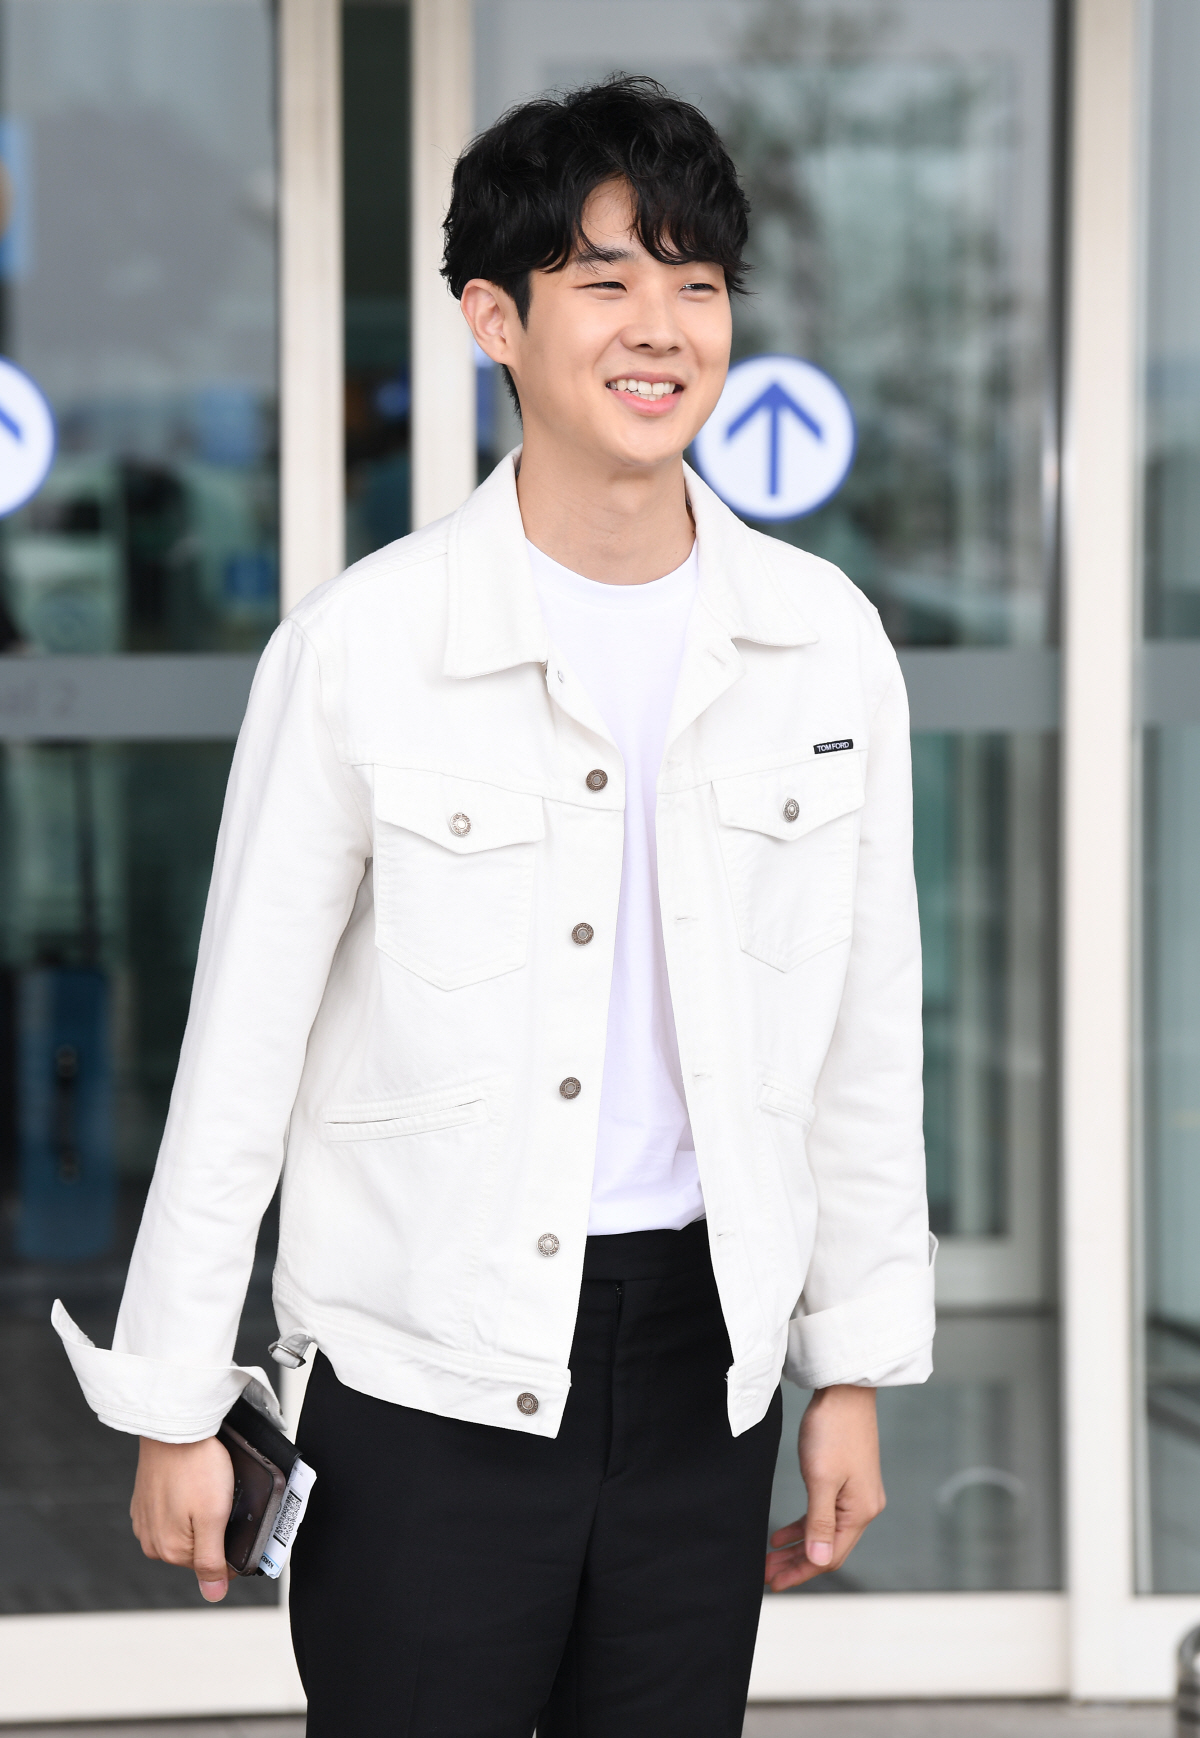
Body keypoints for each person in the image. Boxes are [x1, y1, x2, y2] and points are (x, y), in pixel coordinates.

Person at [54, 75, 934, 1737]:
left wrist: (855, 1368)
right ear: (494, 319)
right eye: (605, 280)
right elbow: (239, 1043)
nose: (660, 326)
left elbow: (860, 1041)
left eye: (696, 282)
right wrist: (173, 1396)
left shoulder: (823, 642)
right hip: (422, 1370)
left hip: (705, 1367)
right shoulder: (364, 648)